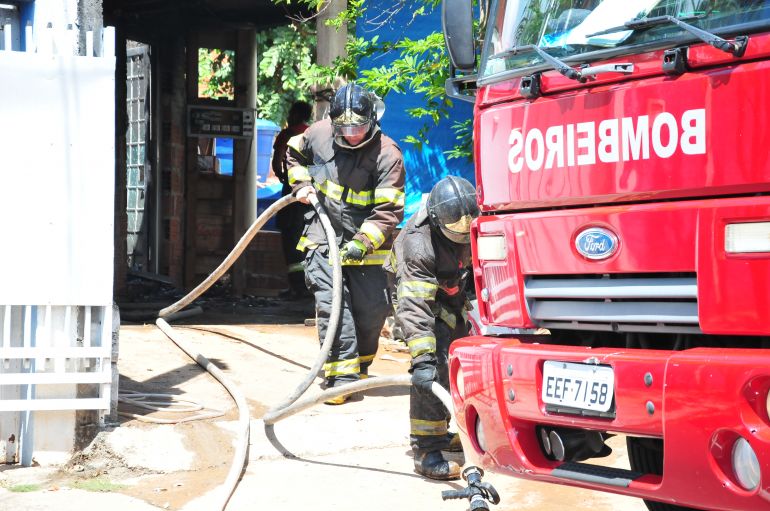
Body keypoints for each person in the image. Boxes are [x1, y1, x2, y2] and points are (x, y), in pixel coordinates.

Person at [285, 83, 405, 404]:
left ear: (372, 121)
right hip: (322, 236)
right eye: (345, 128)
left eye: (359, 127)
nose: (352, 134)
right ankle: (340, 378)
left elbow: (388, 210)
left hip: (366, 244)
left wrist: (362, 242)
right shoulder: (318, 133)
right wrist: (301, 184)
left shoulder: (388, 155)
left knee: (371, 313)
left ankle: (358, 368)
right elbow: (293, 153)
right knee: (334, 305)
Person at [383, 176, 480, 480]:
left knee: (459, 359)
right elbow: (416, 308)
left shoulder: (465, 222)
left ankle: (443, 428)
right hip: (418, 297)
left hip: (450, 289)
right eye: (457, 232)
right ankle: (426, 448)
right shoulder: (418, 243)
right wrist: (421, 360)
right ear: (438, 221)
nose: (463, 237)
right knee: (433, 362)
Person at [272, 100, 314, 299]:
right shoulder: (313, 133)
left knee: (290, 238)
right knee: (308, 238)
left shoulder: (287, 134)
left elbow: (277, 162)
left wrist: (282, 177)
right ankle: (309, 287)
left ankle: (296, 288)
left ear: (295, 114)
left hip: (292, 193)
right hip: (312, 195)